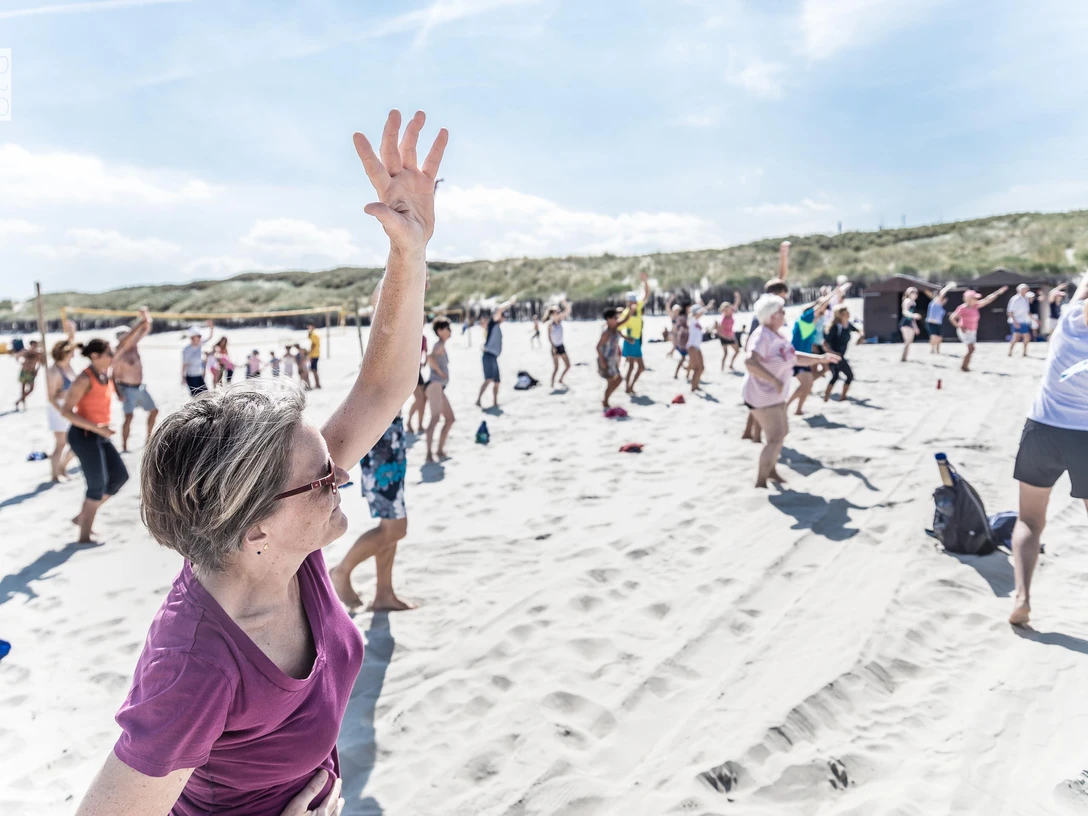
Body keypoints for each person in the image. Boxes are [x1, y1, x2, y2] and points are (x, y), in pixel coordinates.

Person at [74, 107, 448, 816]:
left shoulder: (282, 543)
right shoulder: (196, 665)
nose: (341, 475)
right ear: (254, 530)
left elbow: (379, 387)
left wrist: (409, 252)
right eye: (322, 477)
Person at [1008, 269, 1088, 626]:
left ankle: (1022, 597)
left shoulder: (1070, 320)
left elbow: (1083, 290)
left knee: (1029, 519)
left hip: (1042, 429)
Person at [743, 294, 838, 488]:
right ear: (771, 316)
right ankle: (760, 481)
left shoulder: (778, 334)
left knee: (781, 434)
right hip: (762, 396)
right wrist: (774, 380)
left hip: (775, 395)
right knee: (775, 437)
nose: (784, 313)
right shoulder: (762, 335)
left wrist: (820, 359)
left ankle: (772, 471)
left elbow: (794, 358)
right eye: (780, 311)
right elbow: (749, 362)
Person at [61, 339, 128, 543]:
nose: (112, 356)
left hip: (99, 434)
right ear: (95, 356)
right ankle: (84, 536)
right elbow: (66, 411)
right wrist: (97, 428)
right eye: (108, 353)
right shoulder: (84, 378)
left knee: (119, 477)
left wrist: (143, 323)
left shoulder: (104, 373)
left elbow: (126, 344)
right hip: (83, 436)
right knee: (96, 486)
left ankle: (83, 517)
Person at [787, 284, 846, 415]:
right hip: (796, 358)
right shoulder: (804, 320)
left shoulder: (811, 325)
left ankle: (798, 409)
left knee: (808, 385)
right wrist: (833, 293)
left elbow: (823, 310)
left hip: (804, 358)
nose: (821, 313)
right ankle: (786, 407)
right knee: (806, 385)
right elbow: (821, 306)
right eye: (819, 312)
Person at [113, 308, 159, 453]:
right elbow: (111, 375)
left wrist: (146, 316)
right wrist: (118, 393)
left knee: (154, 410)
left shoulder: (134, 347)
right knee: (129, 416)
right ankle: (125, 446)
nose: (132, 338)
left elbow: (147, 327)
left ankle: (148, 439)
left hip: (139, 387)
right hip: (126, 388)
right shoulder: (119, 351)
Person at [950, 286, 1009, 372]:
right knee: (971, 348)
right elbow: (952, 318)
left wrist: (998, 292)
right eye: (974, 298)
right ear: (969, 299)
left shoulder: (975, 306)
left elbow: (988, 299)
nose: (976, 299)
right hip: (965, 331)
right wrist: (960, 326)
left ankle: (965, 366)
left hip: (972, 331)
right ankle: (963, 366)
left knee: (971, 349)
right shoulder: (962, 308)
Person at [46, 324, 78, 482]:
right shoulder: (54, 372)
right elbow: (50, 397)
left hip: (71, 408)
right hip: (58, 410)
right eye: (71, 352)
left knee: (76, 442)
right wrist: (63, 412)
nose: (73, 354)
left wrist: (71, 333)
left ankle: (62, 468)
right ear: (65, 354)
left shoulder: (67, 365)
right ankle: (54, 475)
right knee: (61, 444)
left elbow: (68, 344)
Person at [476, 296, 516, 409]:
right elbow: (499, 309)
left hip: (493, 357)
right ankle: (478, 400)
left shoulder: (496, 326)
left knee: (497, 381)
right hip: (488, 355)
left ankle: (494, 402)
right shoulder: (492, 324)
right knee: (488, 379)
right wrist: (509, 302)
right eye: (504, 316)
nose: (504, 318)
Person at [424, 317, 455, 462]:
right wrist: (441, 373)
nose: (450, 331)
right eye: (447, 329)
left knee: (450, 419)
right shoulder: (439, 345)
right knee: (435, 418)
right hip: (435, 385)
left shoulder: (441, 344)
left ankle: (440, 450)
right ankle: (429, 454)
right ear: (440, 331)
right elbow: (430, 357)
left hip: (439, 386)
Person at [617, 272, 651, 394]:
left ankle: (629, 387)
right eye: (632, 301)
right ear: (628, 302)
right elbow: (618, 328)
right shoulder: (626, 313)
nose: (635, 303)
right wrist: (626, 338)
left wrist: (645, 282)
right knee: (638, 367)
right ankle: (629, 386)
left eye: (635, 300)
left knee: (634, 367)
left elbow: (646, 294)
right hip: (631, 341)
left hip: (636, 339)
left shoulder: (637, 309)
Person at [823, 304, 864, 402]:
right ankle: (833, 397)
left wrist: (860, 338)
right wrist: (832, 354)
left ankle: (834, 397)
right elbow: (825, 343)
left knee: (837, 376)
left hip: (841, 356)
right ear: (840, 315)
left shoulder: (848, 325)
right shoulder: (836, 327)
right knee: (845, 375)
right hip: (834, 356)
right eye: (846, 313)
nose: (849, 314)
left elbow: (860, 331)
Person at [597, 307, 624, 409]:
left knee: (616, 380)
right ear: (608, 319)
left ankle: (605, 400)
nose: (616, 319)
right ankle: (605, 401)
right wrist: (603, 361)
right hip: (606, 360)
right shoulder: (606, 332)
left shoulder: (614, 328)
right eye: (614, 318)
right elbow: (598, 347)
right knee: (615, 380)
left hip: (612, 360)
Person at [181, 322, 214, 397]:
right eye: (198, 336)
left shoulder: (200, 344)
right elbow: (184, 364)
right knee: (195, 396)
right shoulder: (186, 350)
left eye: (200, 336)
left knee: (206, 394)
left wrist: (211, 328)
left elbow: (210, 337)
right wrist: (182, 377)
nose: (200, 338)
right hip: (191, 376)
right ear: (193, 337)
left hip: (199, 375)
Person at [546, 301, 571, 388]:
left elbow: (568, 310)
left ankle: (560, 379)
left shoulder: (560, 321)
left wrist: (565, 303)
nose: (559, 313)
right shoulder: (550, 324)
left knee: (568, 365)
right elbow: (549, 337)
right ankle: (552, 384)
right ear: (552, 314)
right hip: (555, 347)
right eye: (557, 312)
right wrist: (553, 347)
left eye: (559, 311)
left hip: (561, 345)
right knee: (556, 368)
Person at [407, 333, 428, 433]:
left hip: (417, 370)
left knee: (423, 399)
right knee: (420, 398)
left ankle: (420, 424)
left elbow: (425, 352)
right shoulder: (409, 336)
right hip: (409, 370)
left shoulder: (423, 338)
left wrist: (424, 362)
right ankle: (409, 422)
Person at [687, 303, 711, 392]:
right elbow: (698, 313)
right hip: (692, 346)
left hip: (696, 346)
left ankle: (696, 385)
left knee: (701, 368)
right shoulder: (692, 319)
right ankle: (693, 387)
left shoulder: (697, 322)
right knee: (697, 368)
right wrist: (707, 307)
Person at [926, 283, 956, 354]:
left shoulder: (941, 308)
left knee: (939, 337)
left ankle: (937, 351)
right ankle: (932, 349)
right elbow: (942, 294)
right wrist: (948, 287)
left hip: (938, 323)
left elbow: (946, 313)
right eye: (943, 299)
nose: (944, 300)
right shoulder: (935, 302)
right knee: (934, 336)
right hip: (931, 322)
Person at [13, 339, 42, 410]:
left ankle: (19, 401)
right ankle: (23, 404)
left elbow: (40, 363)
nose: (34, 347)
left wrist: (37, 370)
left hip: (31, 372)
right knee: (22, 388)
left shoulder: (37, 354)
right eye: (33, 345)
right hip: (24, 371)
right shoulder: (25, 352)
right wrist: (21, 363)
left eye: (35, 345)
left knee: (31, 389)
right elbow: (17, 356)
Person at [1007, 283, 1033, 358]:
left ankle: (1024, 352)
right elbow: (1010, 312)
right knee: (1016, 338)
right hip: (1017, 320)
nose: (1026, 290)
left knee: (1026, 337)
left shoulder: (1026, 298)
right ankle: (1010, 351)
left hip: (1024, 320)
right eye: (1024, 289)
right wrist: (1015, 322)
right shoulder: (1015, 299)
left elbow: (1027, 311)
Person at [718, 291, 742, 371]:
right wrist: (727, 338)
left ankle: (731, 365)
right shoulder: (722, 320)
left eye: (728, 308)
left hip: (731, 336)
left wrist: (737, 296)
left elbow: (737, 303)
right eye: (725, 309)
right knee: (725, 354)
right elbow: (719, 333)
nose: (728, 310)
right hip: (724, 337)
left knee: (737, 351)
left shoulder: (731, 313)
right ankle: (722, 368)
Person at [899, 286, 923, 362]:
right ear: (909, 294)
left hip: (910, 323)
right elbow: (904, 312)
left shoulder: (914, 303)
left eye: (916, 293)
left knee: (909, 341)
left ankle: (905, 358)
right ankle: (903, 358)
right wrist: (913, 315)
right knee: (907, 341)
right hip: (905, 323)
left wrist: (915, 327)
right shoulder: (907, 301)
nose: (915, 295)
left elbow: (913, 319)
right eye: (913, 293)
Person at [673, 303, 690, 379]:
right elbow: (678, 327)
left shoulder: (688, 315)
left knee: (690, 358)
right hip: (683, 339)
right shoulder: (682, 317)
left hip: (688, 339)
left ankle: (687, 374)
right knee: (683, 358)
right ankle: (677, 374)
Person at [306, 323, 322, 389]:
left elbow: (314, 345)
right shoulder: (313, 334)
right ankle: (317, 384)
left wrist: (309, 353)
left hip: (314, 354)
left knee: (314, 370)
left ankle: (317, 384)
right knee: (314, 370)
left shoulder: (314, 334)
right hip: (315, 354)